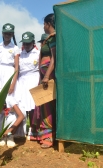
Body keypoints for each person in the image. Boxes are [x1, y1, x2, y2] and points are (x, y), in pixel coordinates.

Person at [30, 13, 56, 149]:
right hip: (45, 74)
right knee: (43, 103)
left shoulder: (54, 37)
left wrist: (47, 76)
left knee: (47, 104)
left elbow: (54, 58)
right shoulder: (51, 39)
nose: (43, 27)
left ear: (48, 24)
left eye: (44, 24)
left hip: (50, 75)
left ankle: (49, 136)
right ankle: (43, 133)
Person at [15, 31, 40, 133]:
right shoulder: (20, 54)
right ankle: (23, 129)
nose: (26, 45)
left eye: (28, 43)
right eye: (24, 43)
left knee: (33, 104)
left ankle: (34, 128)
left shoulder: (38, 53)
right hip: (22, 80)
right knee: (23, 104)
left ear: (33, 42)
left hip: (34, 79)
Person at [0, 23, 19, 96]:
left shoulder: (15, 48)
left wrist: (13, 84)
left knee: (9, 97)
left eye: (9, 34)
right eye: (5, 33)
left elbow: (16, 67)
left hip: (9, 72)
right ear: (2, 33)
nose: (7, 36)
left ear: (12, 34)